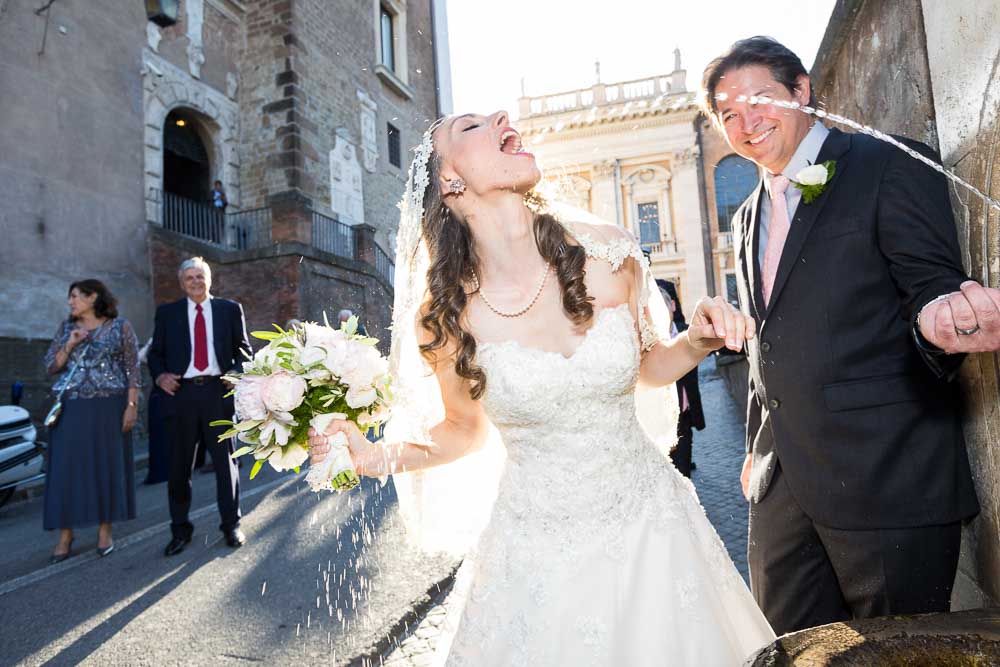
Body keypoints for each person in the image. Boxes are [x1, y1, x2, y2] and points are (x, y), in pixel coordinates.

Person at [310, 112, 774, 665]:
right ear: (449, 180)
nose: (502, 118)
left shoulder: (612, 254)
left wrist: (695, 341)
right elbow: (462, 432)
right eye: (473, 126)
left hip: (653, 527)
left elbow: (647, 368)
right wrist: (373, 455)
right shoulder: (443, 316)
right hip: (534, 551)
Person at [702, 36, 996, 635]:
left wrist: (941, 319)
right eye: (728, 114)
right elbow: (769, 338)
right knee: (790, 647)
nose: (745, 122)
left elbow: (931, 286)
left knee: (898, 651)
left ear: (802, 92)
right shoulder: (745, 218)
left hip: (886, 482)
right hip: (778, 492)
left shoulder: (889, 164)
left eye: (759, 99)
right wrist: (757, 442)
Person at [147, 257, 250, 556]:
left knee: (225, 465)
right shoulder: (168, 313)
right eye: (189, 277)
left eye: (200, 276)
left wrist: (237, 371)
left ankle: (231, 525)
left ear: (209, 279)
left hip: (218, 393)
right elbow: (156, 355)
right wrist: (160, 376)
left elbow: (244, 351)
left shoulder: (229, 310)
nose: (195, 281)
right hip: (181, 395)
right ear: (181, 282)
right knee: (179, 468)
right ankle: (180, 530)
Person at [43, 280, 140, 561]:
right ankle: (66, 533)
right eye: (70, 297)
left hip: (109, 406)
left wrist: (131, 406)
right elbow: (51, 366)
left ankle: (104, 530)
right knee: (66, 469)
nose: (70, 302)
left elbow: (132, 370)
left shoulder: (121, 327)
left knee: (105, 467)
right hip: (72, 406)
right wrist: (70, 344)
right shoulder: (65, 328)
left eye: (75, 296)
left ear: (92, 297)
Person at [658, 283, 705, 477]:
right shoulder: (649, 343)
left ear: (673, 306)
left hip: (684, 419)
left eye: (664, 305)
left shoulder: (689, 333)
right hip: (659, 423)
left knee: (684, 476)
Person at [138, 337, 169, 485]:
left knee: (159, 434)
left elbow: (142, 356)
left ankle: (160, 471)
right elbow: (141, 356)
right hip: (167, 391)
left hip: (160, 392)